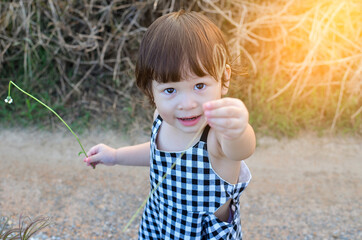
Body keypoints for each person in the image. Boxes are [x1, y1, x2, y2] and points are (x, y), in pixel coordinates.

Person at [84, 10, 256, 240]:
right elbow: (157, 153)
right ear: (151, 91)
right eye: (170, 90)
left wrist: (239, 129)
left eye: (200, 85)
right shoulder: (161, 118)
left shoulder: (216, 136)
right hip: (161, 224)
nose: (187, 104)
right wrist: (116, 156)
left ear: (224, 79)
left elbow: (241, 149)